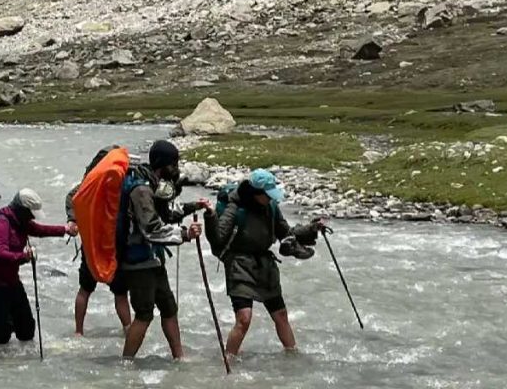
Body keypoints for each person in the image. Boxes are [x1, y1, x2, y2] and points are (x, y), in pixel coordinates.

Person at [202, 169, 324, 361]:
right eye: (268, 195)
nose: (271, 199)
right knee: (244, 319)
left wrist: (311, 228)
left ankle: (293, 358)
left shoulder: (271, 207)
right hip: (239, 265)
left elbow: (287, 233)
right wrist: (209, 217)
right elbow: (217, 238)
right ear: (256, 193)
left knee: (281, 314)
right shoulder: (235, 207)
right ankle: (228, 361)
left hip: (265, 267)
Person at [120, 140, 204, 360]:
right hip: (138, 262)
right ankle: (126, 364)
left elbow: (166, 214)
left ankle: (179, 358)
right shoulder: (141, 190)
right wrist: (185, 235)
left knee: (169, 309)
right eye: (173, 164)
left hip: (154, 260)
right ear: (162, 164)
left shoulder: (154, 184)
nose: (176, 169)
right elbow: (152, 228)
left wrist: (194, 206)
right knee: (144, 314)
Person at [0, 188, 78, 345]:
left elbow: (39, 230)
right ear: (21, 210)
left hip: (11, 281)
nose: (32, 217)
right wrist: (24, 256)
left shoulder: (20, 221)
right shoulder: (2, 224)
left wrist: (65, 230)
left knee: (26, 329)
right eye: (31, 213)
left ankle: (24, 364)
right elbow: (0, 252)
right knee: (2, 334)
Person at [68, 146, 132, 337]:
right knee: (120, 293)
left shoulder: (90, 180)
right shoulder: (122, 179)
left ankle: (79, 331)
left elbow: (73, 197)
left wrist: (73, 219)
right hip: (114, 243)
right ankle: (128, 330)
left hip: (92, 243)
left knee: (85, 289)